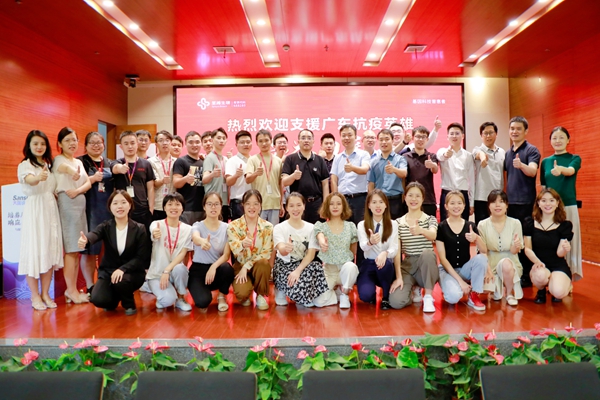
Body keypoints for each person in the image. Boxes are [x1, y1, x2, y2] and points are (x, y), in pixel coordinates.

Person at [78, 190, 150, 315]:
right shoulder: (106, 226)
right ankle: (114, 299)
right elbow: (94, 234)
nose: (119, 206)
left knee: (121, 281)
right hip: (109, 271)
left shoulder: (139, 229)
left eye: (123, 202)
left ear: (130, 205)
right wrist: (86, 240)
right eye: (115, 203)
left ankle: (129, 304)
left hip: (131, 272)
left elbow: (140, 258)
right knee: (98, 299)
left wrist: (122, 269)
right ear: (110, 207)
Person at [18, 130, 64, 310]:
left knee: (49, 251)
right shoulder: (25, 165)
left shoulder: (48, 164)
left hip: (50, 210)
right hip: (35, 211)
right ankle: (34, 295)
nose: (39, 147)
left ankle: (45, 293)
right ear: (29, 146)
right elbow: (30, 180)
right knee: (34, 251)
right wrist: (38, 177)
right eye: (35, 143)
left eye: (42, 144)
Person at [53, 127, 92, 304]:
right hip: (68, 204)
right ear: (60, 144)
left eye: (74, 140)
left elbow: (88, 183)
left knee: (77, 250)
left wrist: (77, 191)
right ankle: (71, 290)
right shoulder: (58, 160)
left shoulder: (79, 161)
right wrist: (72, 172)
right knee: (70, 250)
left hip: (79, 203)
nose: (72, 143)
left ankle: (73, 290)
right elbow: (64, 168)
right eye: (67, 140)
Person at [272, 192, 332, 307]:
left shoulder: (311, 228)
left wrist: (297, 271)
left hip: (302, 265)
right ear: (286, 208)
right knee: (298, 291)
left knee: (316, 266)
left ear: (304, 206)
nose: (295, 209)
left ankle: (303, 294)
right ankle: (280, 289)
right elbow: (281, 249)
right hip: (284, 265)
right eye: (291, 205)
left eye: (299, 205)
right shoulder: (279, 227)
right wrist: (286, 248)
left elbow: (310, 255)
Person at [389, 182, 439, 313]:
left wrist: (421, 230)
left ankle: (428, 296)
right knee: (396, 302)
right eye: (410, 195)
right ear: (405, 198)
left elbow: (433, 235)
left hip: (426, 264)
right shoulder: (398, 223)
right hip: (408, 265)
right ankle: (413, 289)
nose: (414, 199)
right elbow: (397, 252)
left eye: (417, 196)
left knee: (428, 253)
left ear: (423, 199)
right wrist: (399, 277)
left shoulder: (430, 219)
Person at [540, 126, 582, 281]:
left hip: (568, 206)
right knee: (551, 241)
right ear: (550, 141)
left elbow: (571, 171)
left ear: (568, 140)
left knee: (569, 241)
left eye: (561, 137)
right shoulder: (545, 162)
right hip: (549, 209)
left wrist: (560, 169)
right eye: (554, 138)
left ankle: (569, 277)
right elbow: (543, 188)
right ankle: (551, 275)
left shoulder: (574, 158)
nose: (557, 141)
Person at [436, 191, 490, 311]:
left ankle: (474, 294)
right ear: (446, 206)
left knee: (481, 259)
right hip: (447, 270)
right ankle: (451, 285)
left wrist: (476, 238)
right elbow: (443, 260)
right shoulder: (441, 227)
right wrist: (461, 282)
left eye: (459, 203)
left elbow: (483, 250)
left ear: (464, 206)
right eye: (452, 203)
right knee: (453, 297)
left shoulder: (470, 226)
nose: (456, 206)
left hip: (464, 269)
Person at [504, 116, 540, 287]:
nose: (515, 131)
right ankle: (516, 272)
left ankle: (527, 275)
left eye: (519, 129)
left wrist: (522, 165)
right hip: (511, 203)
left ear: (526, 131)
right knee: (514, 239)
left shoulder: (531, 150)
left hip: (526, 203)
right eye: (512, 128)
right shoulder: (507, 153)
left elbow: (532, 171)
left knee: (526, 239)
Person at [78, 131, 115, 296]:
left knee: (106, 250)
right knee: (90, 250)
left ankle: (104, 282)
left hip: (107, 211)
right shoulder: (80, 162)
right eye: (92, 143)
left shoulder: (110, 162)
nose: (96, 146)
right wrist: (92, 179)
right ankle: (90, 285)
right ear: (86, 146)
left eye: (99, 142)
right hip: (89, 210)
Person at [310, 192, 360, 309]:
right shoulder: (321, 226)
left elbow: (353, 251)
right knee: (318, 301)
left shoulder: (351, 226)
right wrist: (322, 241)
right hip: (329, 271)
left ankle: (344, 294)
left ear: (343, 206)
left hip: (344, 269)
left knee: (351, 267)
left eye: (338, 203)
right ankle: (335, 294)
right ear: (327, 207)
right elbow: (319, 235)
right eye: (332, 204)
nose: (335, 206)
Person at [524, 189, 574, 304]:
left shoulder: (564, 225)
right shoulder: (530, 223)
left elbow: (559, 254)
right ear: (538, 203)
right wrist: (538, 262)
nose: (548, 204)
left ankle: (560, 284)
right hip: (538, 265)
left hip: (557, 265)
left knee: (558, 292)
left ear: (557, 203)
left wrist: (565, 249)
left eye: (552, 200)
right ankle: (541, 291)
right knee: (540, 275)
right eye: (544, 200)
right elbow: (527, 249)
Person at [227, 189, 274, 310]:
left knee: (263, 264)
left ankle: (260, 294)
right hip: (240, 264)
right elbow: (235, 250)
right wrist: (242, 244)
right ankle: (246, 293)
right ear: (242, 205)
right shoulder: (233, 226)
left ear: (260, 206)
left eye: (255, 204)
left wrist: (247, 267)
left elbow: (266, 253)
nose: (252, 207)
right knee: (242, 294)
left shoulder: (268, 227)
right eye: (248, 203)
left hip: (257, 265)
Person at [188, 192, 235, 312]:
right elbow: (195, 237)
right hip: (198, 270)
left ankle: (221, 296)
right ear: (204, 207)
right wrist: (202, 242)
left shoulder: (227, 228)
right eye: (209, 204)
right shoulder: (197, 225)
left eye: (216, 204)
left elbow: (226, 255)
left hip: (216, 269)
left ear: (221, 206)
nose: (213, 207)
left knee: (227, 268)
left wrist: (213, 267)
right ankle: (201, 290)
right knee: (203, 302)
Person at [146, 193, 193, 311]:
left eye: (177, 204)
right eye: (170, 204)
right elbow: (154, 231)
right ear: (164, 208)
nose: (174, 207)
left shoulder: (188, 229)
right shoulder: (157, 224)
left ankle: (181, 298)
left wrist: (167, 270)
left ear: (182, 208)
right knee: (167, 301)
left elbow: (183, 253)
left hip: (173, 271)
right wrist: (155, 233)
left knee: (180, 268)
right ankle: (152, 287)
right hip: (157, 274)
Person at [477, 190, 524, 306]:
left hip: (511, 263)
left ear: (507, 205)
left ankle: (509, 293)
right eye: (493, 202)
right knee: (484, 290)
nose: (497, 205)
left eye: (501, 202)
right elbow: (483, 251)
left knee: (506, 264)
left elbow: (514, 251)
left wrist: (516, 246)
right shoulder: (482, 224)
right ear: (489, 206)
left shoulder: (515, 223)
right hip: (491, 263)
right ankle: (496, 288)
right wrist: (488, 271)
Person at [357, 190, 398, 310]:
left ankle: (385, 297)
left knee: (385, 264)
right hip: (369, 263)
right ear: (369, 205)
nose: (378, 205)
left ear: (386, 205)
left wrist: (385, 253)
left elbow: (394, 248)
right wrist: (370, 242)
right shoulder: (362, 225)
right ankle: (372, 293)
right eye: (374, 202)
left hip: (385, 264)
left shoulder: (393, 224)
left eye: (381, 202)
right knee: (365, 295)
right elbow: (363, 246)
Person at [282, 129, 330, 224]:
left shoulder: (320, 160)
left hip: (316, 204)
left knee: (317, 230)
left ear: (313, 141)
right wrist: (293, 176)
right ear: (298, 141)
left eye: (309, 138)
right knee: (298, 231)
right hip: (297, 205)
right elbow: (284, 182)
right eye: (303, 138)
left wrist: (325, 205)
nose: (306, 140)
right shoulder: (290, 159)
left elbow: (325, 184)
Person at [112, 130, 155, 230]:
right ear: (121, 146)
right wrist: (121, 168)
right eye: (126, 144)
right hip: (122, 210)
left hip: (142, 210)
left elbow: (150, 188)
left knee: (143, 237)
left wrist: (151, 208)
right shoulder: (117, 162)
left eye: (132, 143)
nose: (130, 146)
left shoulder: (146, 164)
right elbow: (115, 168)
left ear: (137, 144)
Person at [330, 124, 371, 225]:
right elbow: (334, 179)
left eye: (349, 135)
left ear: (356, 137)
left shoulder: (363, 154)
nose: (346, 138)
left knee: (360, 228)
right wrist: (336, 197)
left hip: (359, 199)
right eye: (344, 135)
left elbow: (365, 169)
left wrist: (352, 168)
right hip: (342, 199)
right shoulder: (338, 157)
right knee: (343, 229)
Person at [436, 123, 475, 221]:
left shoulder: (468, 155)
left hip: (463, 194)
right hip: (447, 193)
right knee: (445, 224)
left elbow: (472, 180)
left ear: (463, 136)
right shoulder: (442, 151)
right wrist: (446, 155)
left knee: (463, 224)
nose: (454, 136)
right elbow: (440, 156)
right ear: (447, 136)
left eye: (457, 133)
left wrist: (471, 203)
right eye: (451, 133)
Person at [246, 129, 284, 225]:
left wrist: (281, 203)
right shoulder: (252, 160)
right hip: (258, 204)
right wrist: (255, 173)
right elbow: (248, 179)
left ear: (271, 141)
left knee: (273, 231)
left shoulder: (278, 161)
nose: (264, 143)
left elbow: (281, 184)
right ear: (257, 143)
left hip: (275, 203)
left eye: (266, 140)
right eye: (261, 141)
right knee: (258, 231)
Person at [367, 128, 407, 219]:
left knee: (396, 225)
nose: (384, 142)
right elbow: (371, 183)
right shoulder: (374, 162)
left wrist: (394, 169)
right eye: (381, 140)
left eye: (387, 139)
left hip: (395, 200)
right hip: (378, 200)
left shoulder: (400, 159)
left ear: (392, 141)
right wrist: (371, 200)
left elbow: (404, 173)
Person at [472, 122, 505, 225]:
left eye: (491, 133)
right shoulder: (477, 149)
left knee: (498, 226)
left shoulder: (502, 152)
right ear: (481, 135)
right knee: (482, 228)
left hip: (498, 198)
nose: (488, 136)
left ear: (496, 134)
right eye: (485, 133)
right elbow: (479, 154)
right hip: (482, 198)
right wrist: (483, 159)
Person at [402, 126, 439, 217]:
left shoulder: (432, 156)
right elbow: (403, 178)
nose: (420, 139)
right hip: (410, 200)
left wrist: (432, 165)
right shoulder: (405, 157)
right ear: (413, 138)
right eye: (418, 136)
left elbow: (435, 170)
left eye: (423, 137)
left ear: (427, 139)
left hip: (428, 200)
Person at [172, 131, 205, 225]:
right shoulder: (181, 161)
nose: (194, 145)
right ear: (185, 144)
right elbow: (176, 183)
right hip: (187, 209)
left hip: (203, 208)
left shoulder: (204, 162)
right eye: (191, 142)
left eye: (197, 142)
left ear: (201, 144)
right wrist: (185, 179)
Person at [149, 130, 176, 221]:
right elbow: (154, 183)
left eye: (167, 140)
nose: (164, 143)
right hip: (158, 204)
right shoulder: (151, 162)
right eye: (161, 140)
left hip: (173, 204)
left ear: (171, 143)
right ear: (156, 144)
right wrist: (162, 181)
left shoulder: (177, 161)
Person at [225, 130, 253, 222]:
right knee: (239, 229)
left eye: (248, 142)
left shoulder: (254, 160)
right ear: (236, 144)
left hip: (254, 202)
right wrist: (236, 175)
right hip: (239, 203)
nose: (246, 144)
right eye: (242, 142)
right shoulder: (232, 161)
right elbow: (228, 182)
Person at [202, 128, 229, 220]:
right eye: (219, 138)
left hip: (224, 201)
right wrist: (212, 174)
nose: (221, 140)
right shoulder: (209, 158)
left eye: (224, 138)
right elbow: (204, 179)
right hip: (212, 202)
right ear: (212, 140)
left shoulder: (225, 159)